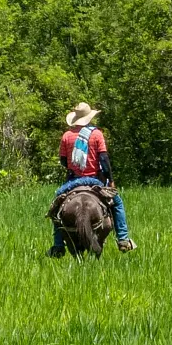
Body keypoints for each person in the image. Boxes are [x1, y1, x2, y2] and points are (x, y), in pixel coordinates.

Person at [47, 102, 136, 257]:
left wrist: (74, 168)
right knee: (117, 203)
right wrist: (110, 180)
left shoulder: (67, 136)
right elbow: (104, 160)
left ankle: (58, 245)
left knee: (57, 206)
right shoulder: (96, 134)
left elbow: (63, 160)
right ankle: (123, 239)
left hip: (73, 181)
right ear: (89, 117)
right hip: (95, 181)